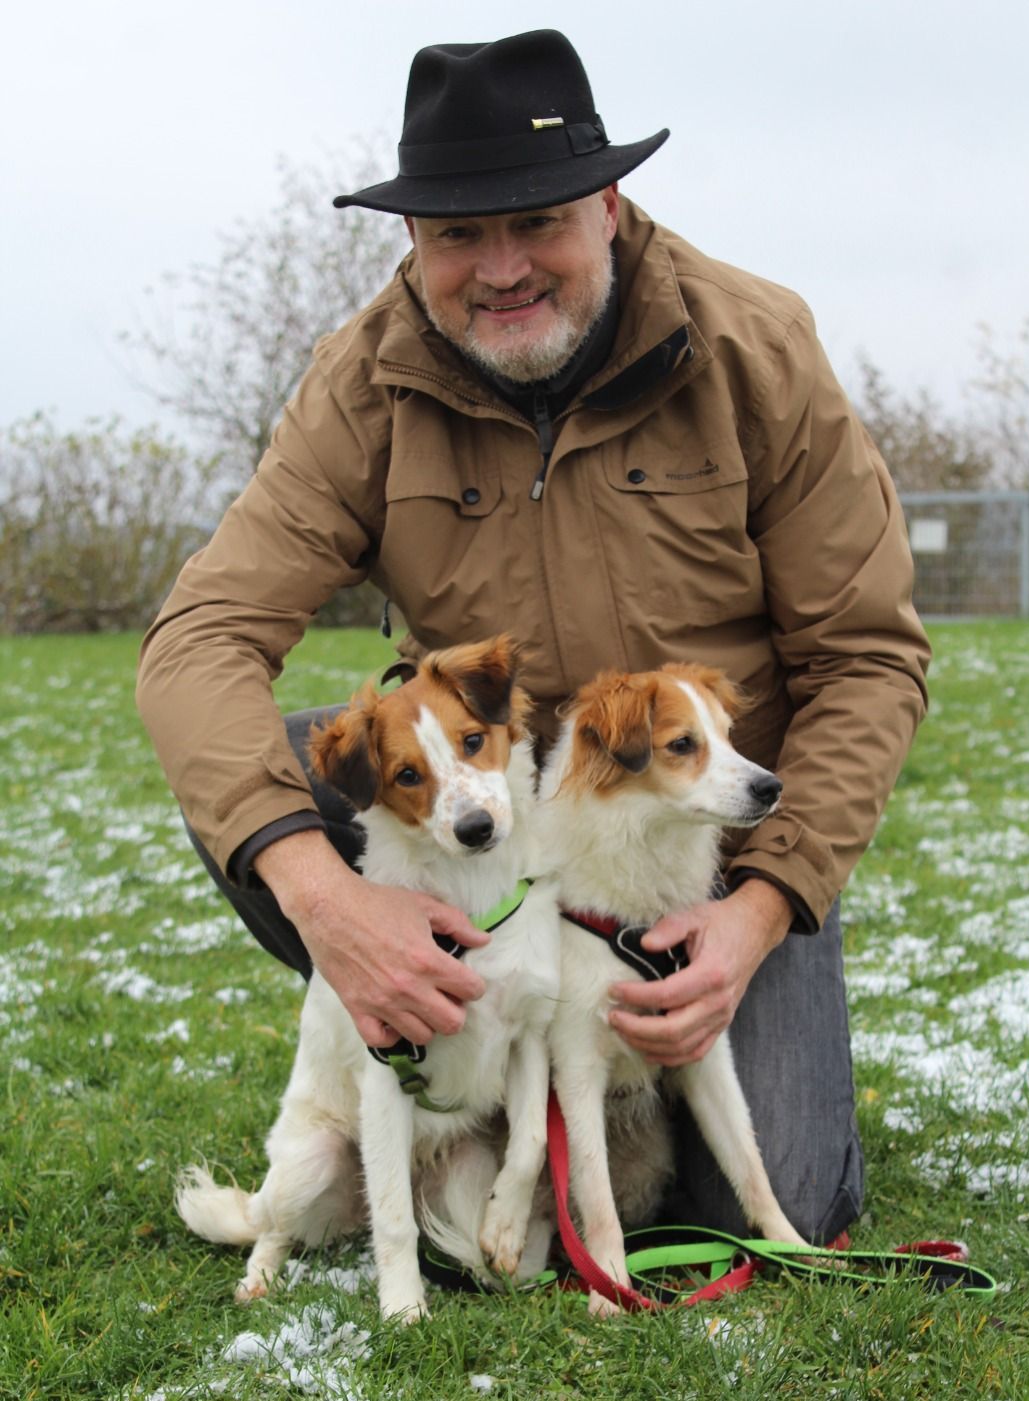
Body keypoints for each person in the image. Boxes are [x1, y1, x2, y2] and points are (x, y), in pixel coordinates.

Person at [137, 29, 930, 1245]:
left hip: (697, 850)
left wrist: (764, 905)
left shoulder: (755, 346)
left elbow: (867, 657)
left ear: (607, 206)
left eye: (538, 222)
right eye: (459, 232)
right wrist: (328, 901)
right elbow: (199, 640)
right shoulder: (360, 384)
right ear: (414, 237)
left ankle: (596, 1054)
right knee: (276, 775)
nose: (501, 268)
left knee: (767, 1206)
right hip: (490, 831)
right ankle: (457, 1038)